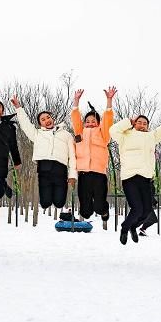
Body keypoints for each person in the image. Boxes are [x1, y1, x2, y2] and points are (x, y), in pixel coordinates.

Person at [110, 114, 161, 244]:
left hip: (145, 178)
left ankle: (133, 227)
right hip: (129, 177)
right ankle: (124, 228)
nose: (142, 125)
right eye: (139, 122)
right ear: (134, 123)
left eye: (145, 123)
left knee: (147, 211)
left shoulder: (151, 136)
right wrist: (128, 122)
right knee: (137, 208)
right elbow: (112, 130)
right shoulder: (124, 136)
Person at [11, 95, 77, 212]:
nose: (47, 120)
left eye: (48, 117)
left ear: (53, 118)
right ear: (40, 124)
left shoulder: (66, 135)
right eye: (43, 119)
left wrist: (72, 175)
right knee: (45, 203)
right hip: (44, 171)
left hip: (60, 171)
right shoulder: (37, 134)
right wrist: (18, 108)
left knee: (59, 203)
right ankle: (46, 200)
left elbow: (72, 156)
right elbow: (25, 125)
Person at [71, 87, 116, 222]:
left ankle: (104, 210)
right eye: (87, 121)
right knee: (86, 212)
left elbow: (107, 121)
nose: (90, 123)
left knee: (99, 207)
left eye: (93, 121)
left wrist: (109, 101)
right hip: (83, 174)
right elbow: (75, 118)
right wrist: (76, 101)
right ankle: (86, 211)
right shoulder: (80, 132)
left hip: (99, 174)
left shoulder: (103, 134)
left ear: (98, 123)